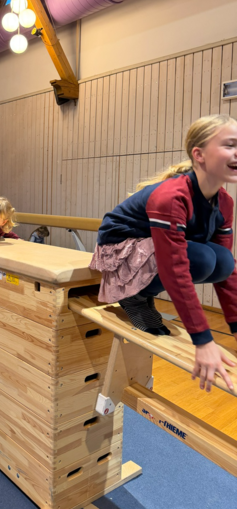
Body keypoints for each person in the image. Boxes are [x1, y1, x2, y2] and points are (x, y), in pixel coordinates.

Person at [90, 115, 237, 393]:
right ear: (199, 154)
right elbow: (174, 267)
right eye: (229, 145)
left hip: (156, 248)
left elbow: (228, 274)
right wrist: (202, 339)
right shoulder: (172, 196)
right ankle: (133, 295)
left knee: (223, 262)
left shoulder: (225, 203)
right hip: (120, 247)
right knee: (202, 260)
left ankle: (144, 293)